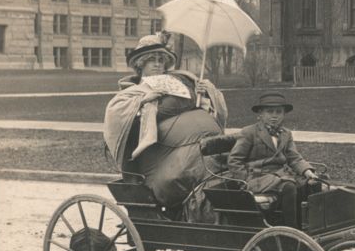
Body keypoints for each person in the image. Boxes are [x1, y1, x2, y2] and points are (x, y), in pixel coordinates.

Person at [103, 33, 229, 207]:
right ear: (140, 63)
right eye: (151, 60)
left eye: (160, 60)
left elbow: (208, 107)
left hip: (202, 144)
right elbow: (117, 115)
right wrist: (144, 101)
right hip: (159, 156)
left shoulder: (182, 81)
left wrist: (206, 92)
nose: (157, 64)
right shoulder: (132, 92)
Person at [228, 92, 319, 227]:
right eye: (270, 112)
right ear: (260, 114)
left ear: (283, 114)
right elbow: (234, 160)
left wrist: (307, 171)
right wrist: (245, 181)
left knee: (311, 184)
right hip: (257, 178)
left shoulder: (286, 133)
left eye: (279, 112)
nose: (274, 116)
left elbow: (294, 157)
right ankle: (290, 233)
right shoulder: (249, 132)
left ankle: (308, 227)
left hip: (280, 175)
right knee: (289, 187)